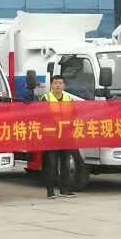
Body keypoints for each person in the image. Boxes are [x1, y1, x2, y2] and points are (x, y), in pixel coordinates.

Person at [38, 72, 77, 200]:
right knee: (51, 164)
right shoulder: (45, 98)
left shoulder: (69, 99)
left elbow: (74, 116)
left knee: (65, 164)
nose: (58, 85)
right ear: (51, 85)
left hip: (65, 137)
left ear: (64, 85)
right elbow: (40, 116)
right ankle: (50, 191)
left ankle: (65, 190)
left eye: (60, 83)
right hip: (51, 136)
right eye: (55, 83)